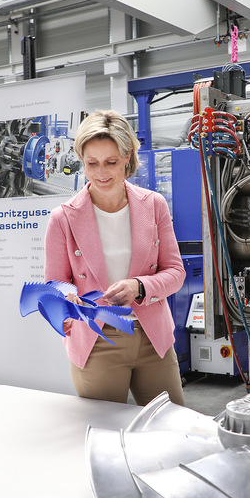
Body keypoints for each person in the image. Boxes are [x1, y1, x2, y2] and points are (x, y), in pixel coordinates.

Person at [44, 110, 186, 406]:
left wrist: (139, 287)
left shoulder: (154, 205)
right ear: (82, 162)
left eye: (111, 162)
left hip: (152, 338)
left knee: (171, 427)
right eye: (91, 163)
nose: (101, 173)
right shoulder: (63, 218)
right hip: (97, 341)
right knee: (106, 433)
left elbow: (175, 272)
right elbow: (54, 284)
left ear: (127, 158)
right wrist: (68, 298)